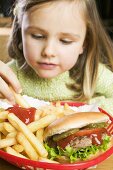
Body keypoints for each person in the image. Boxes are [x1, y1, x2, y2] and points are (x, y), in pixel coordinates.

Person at [0, 0, 113, 116]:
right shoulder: (10, 76)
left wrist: (89, 108)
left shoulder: (92, 72)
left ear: (84, 43)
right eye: (37, 36)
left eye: (65, 41)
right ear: (20, 32)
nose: (48, 51)